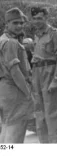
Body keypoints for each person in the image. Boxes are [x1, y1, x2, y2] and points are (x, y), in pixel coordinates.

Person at [30, 6, 57, 143]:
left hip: (50, 71)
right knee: (39, 111)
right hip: (37, 72)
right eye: (34, 19)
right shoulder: (37, 34)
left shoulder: (54, 33)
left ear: (46, 18)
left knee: (53, 111)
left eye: (40, 18)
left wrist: (55, 79)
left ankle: (56, 145)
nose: (37, 21)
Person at [0, 8, 34, 143]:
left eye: (21, 23)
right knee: (15, 132)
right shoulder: (11, 43)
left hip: (5, 89)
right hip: (15, 89)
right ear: (6, 24)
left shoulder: (3, 40)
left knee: (6, 128)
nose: (19, 26)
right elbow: (15, 71)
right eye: (15, 23)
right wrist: (27, 93)